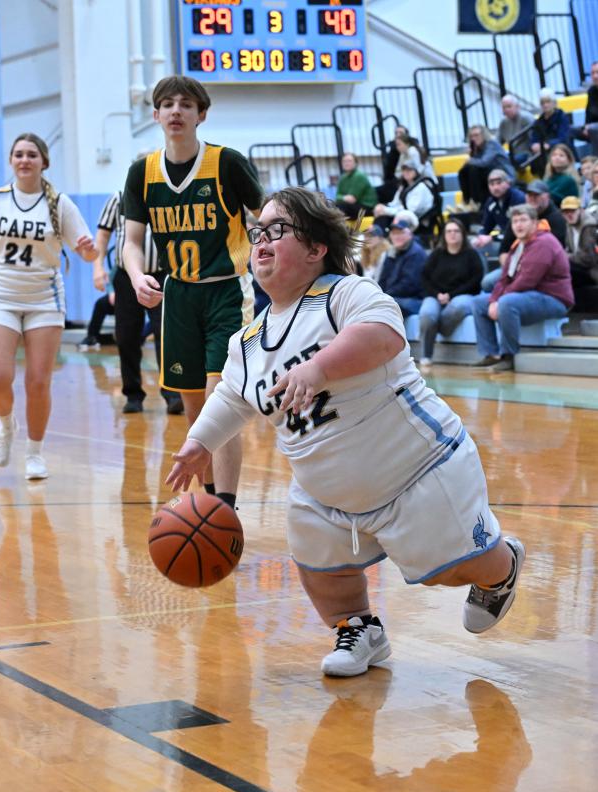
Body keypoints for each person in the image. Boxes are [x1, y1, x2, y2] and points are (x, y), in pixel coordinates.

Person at [165, 186, 526, 678]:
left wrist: (319, 368)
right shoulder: (247, 342)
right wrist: (199, 442)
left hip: (418, 471)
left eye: (278, 230)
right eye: (257, 233)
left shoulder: (343, 294)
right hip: (325, 494)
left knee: (452, 569)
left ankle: (501, 567)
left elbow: (382, 334)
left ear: (316, 249)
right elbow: (232, 397)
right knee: (321, 570)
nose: (262, 241)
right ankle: (359, 629)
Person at [123, 75, 264, 508]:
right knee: (195, 409)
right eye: (167, 104)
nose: (176, 111)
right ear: (155, 114)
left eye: (186, 104)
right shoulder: (142, 172)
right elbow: (130, 241)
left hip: (226, 291)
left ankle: (226, 506)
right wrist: (135, 276)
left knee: (221, 399)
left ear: (201, 114)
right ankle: (207, 506)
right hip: (177, 296)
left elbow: (266, 218)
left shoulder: (227, 163)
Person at [0, 132, 98, 479]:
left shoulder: (58, 204)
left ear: (44, 162)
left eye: (31, 155)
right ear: (11, 161)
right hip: (0, 297)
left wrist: (88, 248)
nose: (24, 160)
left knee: (38, 382)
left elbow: (88, 253)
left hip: (44, 300)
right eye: (19, 154)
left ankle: (35, 453)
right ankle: (7, 426)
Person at [93, 188, 183, 414]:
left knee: (168, 335)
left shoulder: (168, 194)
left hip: (163, 274)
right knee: (126, 336)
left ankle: (172, 394)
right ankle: (133, 394)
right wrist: (97, 267)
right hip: (126, 277)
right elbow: (103, 235)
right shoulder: (118, 197)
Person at [471, 204, 573, 372]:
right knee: (479, 303)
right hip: (529, 297)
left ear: (535, 222)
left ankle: (508, 356)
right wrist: (493, 299)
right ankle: (491, 354)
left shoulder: (544, 242)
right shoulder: (519, 245)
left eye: (523, 220)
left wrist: (499, 301)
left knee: (507, 302)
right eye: (515, 221)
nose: (518, 225)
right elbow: (504, 278)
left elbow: (527, 280)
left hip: (554, 299)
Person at [482, 179, 568, 292]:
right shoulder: (519, 216)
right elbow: (504, 249)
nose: (532, 198)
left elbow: (551, 256)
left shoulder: (557, 219)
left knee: (506, 294)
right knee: (487, 282)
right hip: (516, 265)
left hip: (544, 270)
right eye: (529, 195)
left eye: (536, 195)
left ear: (547, 196)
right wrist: (509, 269)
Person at [418, 219, 484, 366]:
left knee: (458, 306)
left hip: (463, 295)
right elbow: (424, 277)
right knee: (427, 314)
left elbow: (475, 280)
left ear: (463, 234)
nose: (452, 234)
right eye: (449, 231)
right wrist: (437, 294)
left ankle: (440, 329)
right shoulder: (436, 254)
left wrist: (451, 295)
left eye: (456, 231)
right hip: (436, 295)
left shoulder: (471, 255)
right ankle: (426, 356)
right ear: (444, 235)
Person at [375, 219, 426, 317]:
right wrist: (379, 293)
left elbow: (409, 285)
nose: (397, 236)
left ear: (410, 234)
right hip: (394, 297)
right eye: (394, 233)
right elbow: (383, 279)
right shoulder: (392, 252)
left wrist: (385, 296)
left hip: (414, 300)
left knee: (383, 306)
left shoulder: (416, 253)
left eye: (401, 233)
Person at [458, 126, 514, 208]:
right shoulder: (477, 148)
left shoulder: (492, 144)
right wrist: (471, 154)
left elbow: (484, 162)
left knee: (474, 169)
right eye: (471, 136)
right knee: (463, 171)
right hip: (488, 173)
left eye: (476, 135)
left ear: (484, 135)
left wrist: (470, 159)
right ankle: (467, 201)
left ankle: (477, 202)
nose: (474, 138)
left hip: (503, 173)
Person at [473, 169, 525, 255]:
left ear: (508, 183)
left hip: (520, 240)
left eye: (499, 183)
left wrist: (492, 237)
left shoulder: (518, 199)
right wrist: (481, 236)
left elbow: (515, 229)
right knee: (474, 244)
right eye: (492, 184)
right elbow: (486, 227)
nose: (495, 187)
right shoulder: (491, 202)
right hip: (504, 239)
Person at [373, 161, 434, 232]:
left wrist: (386, 210)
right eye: (404, 170)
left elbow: (410, 211)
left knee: (385, 218)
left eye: (410, 170)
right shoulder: (403, 186)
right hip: (403, 214)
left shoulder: (421, 187)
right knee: (381, 215)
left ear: (416, 171)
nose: (406, 172)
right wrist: (382, 207)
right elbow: (394, 203)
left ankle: (377, 237)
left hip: (417, 219)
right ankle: (375, 237)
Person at [560, 195, 598, 307]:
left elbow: (588, 259)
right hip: (581, 265)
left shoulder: (589, 226)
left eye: (572, 210)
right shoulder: (569, 224)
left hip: (592, 270)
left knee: (565, 269)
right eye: (566, 211)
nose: (569, 214)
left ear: (580, 210)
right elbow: (569, 248)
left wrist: (566, 256)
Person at [334, 152, 377, 220]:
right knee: (332, 206)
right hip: (352, 207)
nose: (346, 163)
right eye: (344, 161)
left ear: (356, 163)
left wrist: (341, 197)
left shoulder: (359, 176)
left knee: (341, 207)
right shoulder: (343, 178)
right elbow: (337, 196)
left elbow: (352, 199)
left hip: (366, 208)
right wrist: (344, 198)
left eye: (349, 161)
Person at [530, 88, 570, 157]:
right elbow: (534, 138)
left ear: (554, 103)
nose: (545, 105)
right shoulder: (538, 122)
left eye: (548, 102)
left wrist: (549, 144)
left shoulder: (562, 117)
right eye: (542, 103)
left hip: (561, 150)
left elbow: (563, 138)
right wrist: (534, 145)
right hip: (544, 151)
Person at [570, 60, 598, 156]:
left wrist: (590, 127)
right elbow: (589, 112)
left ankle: (595, 162)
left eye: (597, 72)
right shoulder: (591, 91)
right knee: (569, 129)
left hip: (595, 128)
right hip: (592, 127)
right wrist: (586, 126)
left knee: (593, 129)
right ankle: (573, 162)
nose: (595, 76)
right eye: (592, 73)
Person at [498, 95, 535, 166]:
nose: (506, 110)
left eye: (509, 106)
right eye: (504, 107)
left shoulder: (526, 118)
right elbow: (497, 141)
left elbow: (535, 139)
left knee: (506, 162)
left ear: (518, 107)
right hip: (512, 154)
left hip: (526, 154)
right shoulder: (503, 122)